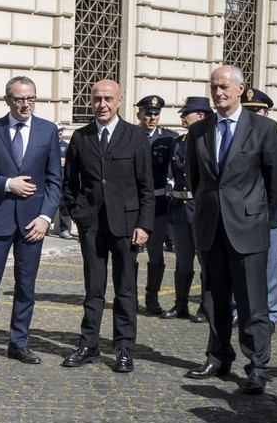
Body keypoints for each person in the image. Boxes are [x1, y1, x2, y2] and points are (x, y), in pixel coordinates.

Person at [183, 66, 277, 395]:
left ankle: (257, 365)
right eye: (213, 87)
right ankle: (217, 356)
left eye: (224, 87)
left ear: (241, 88)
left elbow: (276, 182)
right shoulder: (199, 131)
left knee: (252, 302)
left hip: (248, 228)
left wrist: (257, 216)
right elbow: (195, 180)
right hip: (211, 227)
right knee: (214, 299)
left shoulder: (264, 128)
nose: (218, 93)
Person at [0, 76, 62, 366]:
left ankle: (19, 343)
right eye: (19, 99)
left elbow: (55, 181)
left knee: (25, 286)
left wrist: (45, 218)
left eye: (30, 98)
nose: (25, 104)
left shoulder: (48, 131)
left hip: (34, 223)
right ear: (7, 100)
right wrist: (8, 184)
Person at [61, 79, 154, 372]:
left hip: (126, 225)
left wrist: (144, 225)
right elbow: (69, 183)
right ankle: (89, 344)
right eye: (97, 98)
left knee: (125, 289)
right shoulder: (81, 136)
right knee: (94, 288)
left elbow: (146, 187)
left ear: (119, 101)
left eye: (108, 99)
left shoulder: (135, 136)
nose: (102, 104)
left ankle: (124, 347)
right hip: (92, 225)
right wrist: (77, 213)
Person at [240, 88, 277, 332]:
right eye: (250, 112)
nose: (256, 116)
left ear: (268, 112)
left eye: (259, 111)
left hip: (268, 211)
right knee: (239, 264)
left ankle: (270, 314)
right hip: (240, 213)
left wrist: (268, 210)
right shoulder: (240, 135)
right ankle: (239, 310)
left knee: (270, 267)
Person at [162, 96, 211, 323]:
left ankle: (206, 307)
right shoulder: (178, 141)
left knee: (205, 260)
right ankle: (180, 304)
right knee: (183, 259)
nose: (182, 117)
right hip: (179, 208)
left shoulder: (209, 141)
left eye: (186, 113)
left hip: (200, 208)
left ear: (201, 115)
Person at [133, 95, 177, 315]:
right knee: (129, 252)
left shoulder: (169, 139)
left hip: (158, 201)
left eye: (156, 114)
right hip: (133, 201)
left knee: (155, 252)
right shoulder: (129, 135)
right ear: (138, 114)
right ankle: (129, 295)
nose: (152, 118)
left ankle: (152, 296)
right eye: (148, 114)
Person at [55, 125, 74, 240]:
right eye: (58, 131)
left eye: (61, 131)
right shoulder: (46, 145)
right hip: (49, 181)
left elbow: (72, 162)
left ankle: (64, 229)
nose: (60, 133)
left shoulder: (66, 146)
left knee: (64, 206)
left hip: (63, 180)